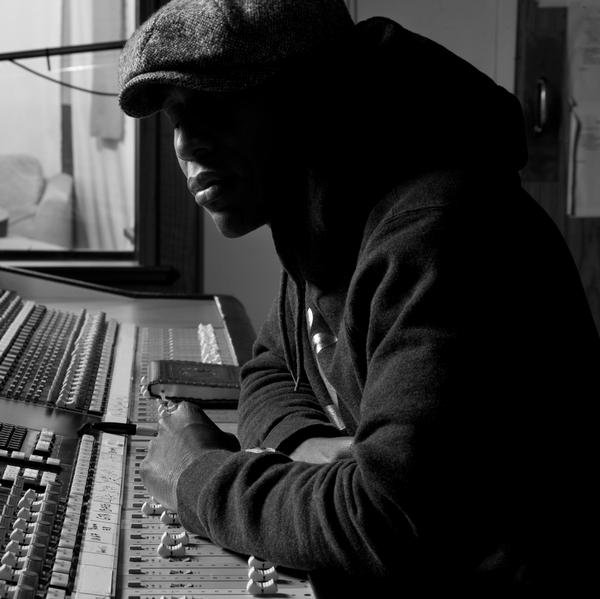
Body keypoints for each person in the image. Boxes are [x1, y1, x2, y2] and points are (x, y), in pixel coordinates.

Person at [118, 0, 599, 596]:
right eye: (175, 117)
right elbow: (270, 366)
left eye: (213, 106)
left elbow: (386, 520)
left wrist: (197, 476)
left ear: (309, 97)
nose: (188, 145)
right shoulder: (325, 216)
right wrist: (302, 442)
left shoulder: (440, 235)